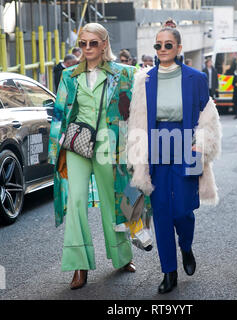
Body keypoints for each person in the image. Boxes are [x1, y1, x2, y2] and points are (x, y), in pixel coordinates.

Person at [127, 26, 222, 294]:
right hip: (156, 145)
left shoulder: (196, 78)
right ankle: (169, 271)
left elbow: (208, 117)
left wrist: (200, 145)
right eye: (158, 45)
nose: (162, 50)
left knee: (183, 208)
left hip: (188, 144)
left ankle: (186, 246)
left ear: (179, 48)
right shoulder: (144, 79)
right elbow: (137, 120)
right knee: (162, 212)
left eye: (168, 45)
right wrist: (137, 158)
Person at [48, 22, 137, 290]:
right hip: (77, 144)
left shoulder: (122, 74)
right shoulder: (69, 75)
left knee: (112, 201)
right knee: (75, 200)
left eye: (92, 43)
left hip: (108, 145)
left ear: (104, 44)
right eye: (83, 43)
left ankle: (122, 256)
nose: (87, 48)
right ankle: (79, 265)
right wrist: (56, 150)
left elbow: (134, 109)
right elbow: (61, 113)